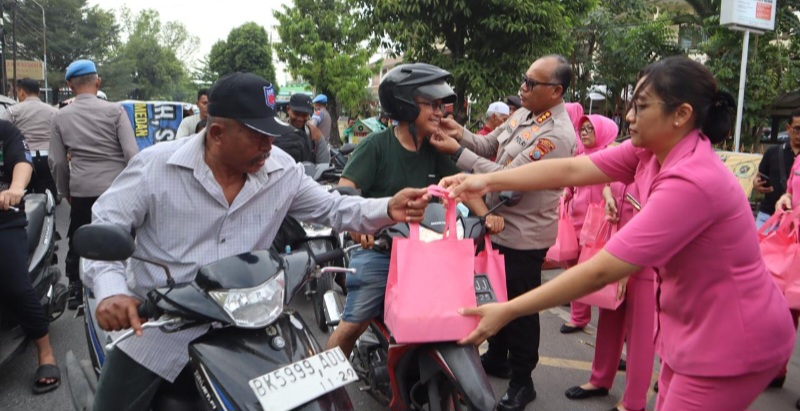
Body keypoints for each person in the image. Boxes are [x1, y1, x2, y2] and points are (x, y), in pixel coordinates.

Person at [442, 56, 795, 411]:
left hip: (734, 340)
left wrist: (507, 310)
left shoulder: (693, 179)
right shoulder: (650, 152)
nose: (628, 117)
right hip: (692, 332)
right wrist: (484, 179)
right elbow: (571, 168)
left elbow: (603, 269)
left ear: (681, 114)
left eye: (640, 107)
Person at [84, 71, 432, 411]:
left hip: (252, 325)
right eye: (258, 136)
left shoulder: (281, 170)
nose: (270, 145)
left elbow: (334, 207)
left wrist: (388, 206)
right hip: (159, 329)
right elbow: (106, 224)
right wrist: (112, 289)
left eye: (272, 133)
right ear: (217, 133)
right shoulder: (155, 168)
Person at [430, 54, 576, 411]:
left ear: (555, 92)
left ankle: (523, 381)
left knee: (520, 308)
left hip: (524, 235)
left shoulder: (554, 136)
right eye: (523, 79)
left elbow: (506, 175)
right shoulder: (526, 115)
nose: (521, 88)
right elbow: (491, 145)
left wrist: (457, 153)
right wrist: (459, 132)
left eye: (530, 84)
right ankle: (497, 356)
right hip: (497, 225)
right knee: (493, 294)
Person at [325, 63, 502, 358]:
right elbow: (347, 191)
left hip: (428, 253)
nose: (439, 112)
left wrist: (486, 215)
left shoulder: (436, 148)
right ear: (405, 106)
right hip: (380, 251)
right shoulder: (375, 146)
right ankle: (321, 392)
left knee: (460, 315)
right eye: (431, 105)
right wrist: (358, 228)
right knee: (352, 327)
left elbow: (461, 187)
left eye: (440, 105)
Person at [49, 59, 139, 310]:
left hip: (82, 190)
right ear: (98, 82)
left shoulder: (60, 117)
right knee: (121, 238)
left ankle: (76, 287)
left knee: (79, 235)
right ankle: (123, 286)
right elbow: (132, 153)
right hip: (116, 190)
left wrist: (66, 191)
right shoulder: (116, 111)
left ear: (70, 85)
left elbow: (56, 162)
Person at [564, 180, 656, 411]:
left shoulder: (659, 169)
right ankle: (600, 379)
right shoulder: (629, 158)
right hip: (615, 252)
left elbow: (652, 227)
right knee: (608, 321)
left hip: (645, 264)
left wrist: (628, 268)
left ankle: (634, 402)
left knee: (639, 337)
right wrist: (609, 199)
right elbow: (607, 184)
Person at [0, 119, 60, 394]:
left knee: (14, 287)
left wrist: (15, 189)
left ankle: (45, 353)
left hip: (5, 218)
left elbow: (22, 163)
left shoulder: (5, 130)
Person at [560, 115, 619, 335]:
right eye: (582, 129)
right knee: (574, 268)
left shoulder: (611, 157)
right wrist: (566, 194)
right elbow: (570, 184)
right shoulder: (579, 157)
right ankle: (578, 317)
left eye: (589, 129)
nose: (584, 133)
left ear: (601, 131)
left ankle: (614, 326)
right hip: (576, 219)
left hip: (600, 224)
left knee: (598, 271)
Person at [2, 78, 58, 198]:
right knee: (47, 198)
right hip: (47, 158)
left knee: (21, 197)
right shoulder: (53, 111)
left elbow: (4, 134)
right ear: (38, 93)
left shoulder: (13, 111)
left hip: (22, 161)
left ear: (21, 92)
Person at [754, 110, 800, 229]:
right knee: (758, 247)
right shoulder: (772, 152)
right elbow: (759, 177)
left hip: (795, 223)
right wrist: (757, 184)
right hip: (768, 216)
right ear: (788, 128)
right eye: (797, 129)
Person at [272, 93, 330, 164]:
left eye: (304, 115)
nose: (300, 119)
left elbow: (323, 164)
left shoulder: (315, 135)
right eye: (296, 114)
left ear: (309, 114)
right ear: (288, 109)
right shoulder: (277, 131)